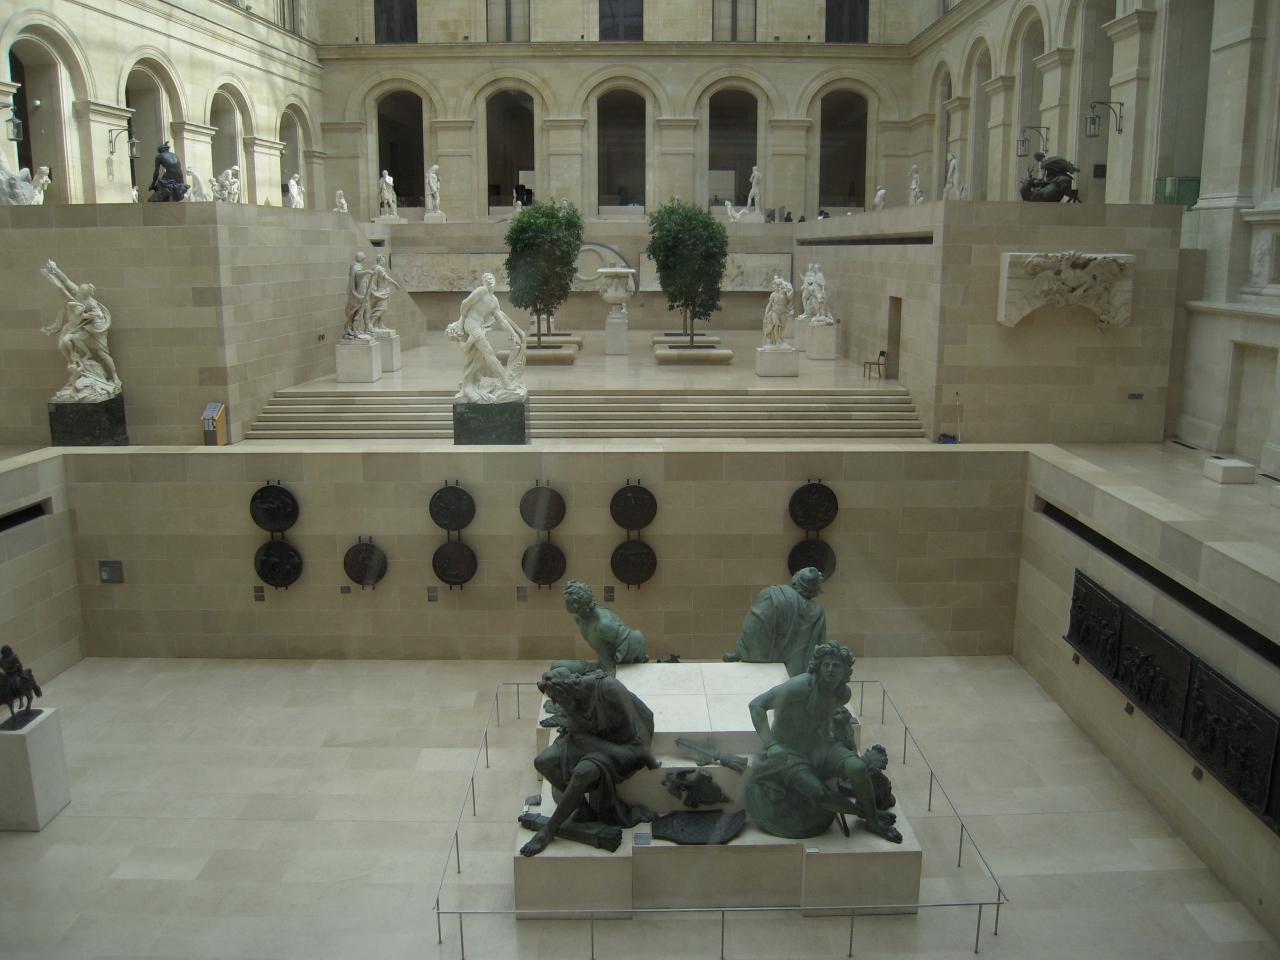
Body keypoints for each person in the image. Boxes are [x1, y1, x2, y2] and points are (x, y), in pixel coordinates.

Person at [747, 642, 903, 843]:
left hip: (818, 745)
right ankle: (863, 812)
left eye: (836, 666)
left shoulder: (842, 694)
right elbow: (756, 705)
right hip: (787, 750)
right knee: (820, 794)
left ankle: (873, 821)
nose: (830, 669)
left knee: (857, 767)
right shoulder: (799, 687)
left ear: (845, 671)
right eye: (826, 664)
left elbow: (826, 720)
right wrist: (771, 745)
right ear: (818, 667)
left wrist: (836, 741)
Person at [521, 667, 659, 857]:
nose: (555, 703)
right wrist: (609, 748)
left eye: (555, 697)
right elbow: (578, 734)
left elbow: (641, 716)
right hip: (587, 742)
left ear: (564, 689)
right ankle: (584, 809)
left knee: (583, 773)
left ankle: (548, 831)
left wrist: (641, 752)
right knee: (542, 762)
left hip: (622, 745)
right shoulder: (570, 700)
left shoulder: (608, 687)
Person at [40, 260, 121, 401]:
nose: (78, 290)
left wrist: (92, 317)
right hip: (83, 327)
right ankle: (80, 360)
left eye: (82, 289)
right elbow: (66, 281)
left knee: (102, 353)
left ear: (86, 292)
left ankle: (114, 376)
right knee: (73, 339)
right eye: (80, 288)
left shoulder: (91, 302)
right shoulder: (79, 293)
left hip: (97, 329)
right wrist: (55, 269)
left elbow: (100, 317)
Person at [723, 566, 826, 677]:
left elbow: (753, 625)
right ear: (816, 589)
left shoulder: (773, 593)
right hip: (795, 667)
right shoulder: (817, 611)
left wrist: (740, 651)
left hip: (762, 657)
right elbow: (817, 647)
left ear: (795, 580)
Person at [445, 272, 527, 403]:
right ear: (483, 282)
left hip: (480, 326)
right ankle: (505, 381)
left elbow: (502, 321)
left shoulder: (494, 301)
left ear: (495, 281)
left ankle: (477, 382)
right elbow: (465, 304)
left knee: (480, 356)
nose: (489, 280)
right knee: (488, 351)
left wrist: (514, 334)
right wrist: (461, 321)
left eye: (491, 278)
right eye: (486, 278)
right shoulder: (482, 291)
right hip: (471, 323)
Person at [553, 580, 649, 676]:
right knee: (556, 666)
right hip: (601, 665)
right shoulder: (579, 617)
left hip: (615, 669)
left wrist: (639, 666)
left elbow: (638, 640)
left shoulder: (602, 625)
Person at [364, 254, 400, 332]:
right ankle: (371, 324)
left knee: (384, 308)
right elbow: (387, 278)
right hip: (381, 291)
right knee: (381, 308)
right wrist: (395, 283)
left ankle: (380, 324)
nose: (384, 262)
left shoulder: (376, 268)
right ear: (379, 260)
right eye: (382, 260)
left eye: (384, 260)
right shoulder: (380, 269)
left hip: (384, 291)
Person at [343, 252, 373, 340]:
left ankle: (360, 327)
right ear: (362, 259)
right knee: (359, 309)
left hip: (363, 291)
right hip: (359, 292)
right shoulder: (355, 267)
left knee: (364, 309)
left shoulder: (358, 267)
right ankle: (354, 328)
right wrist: (367, 272)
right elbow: (358, 275)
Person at [762, 275, 793, 348]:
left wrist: (782, 284)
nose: (774, 287)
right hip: (775, 311)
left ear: (778, 286)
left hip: (783, 310)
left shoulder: (783, 292)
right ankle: (777, 341)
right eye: (774, 285)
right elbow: (770, 304)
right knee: (776, 325)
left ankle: (780, 337)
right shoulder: (773, 294)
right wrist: (766, 312)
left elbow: (790, 289)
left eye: (775, 285)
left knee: (783, 325)